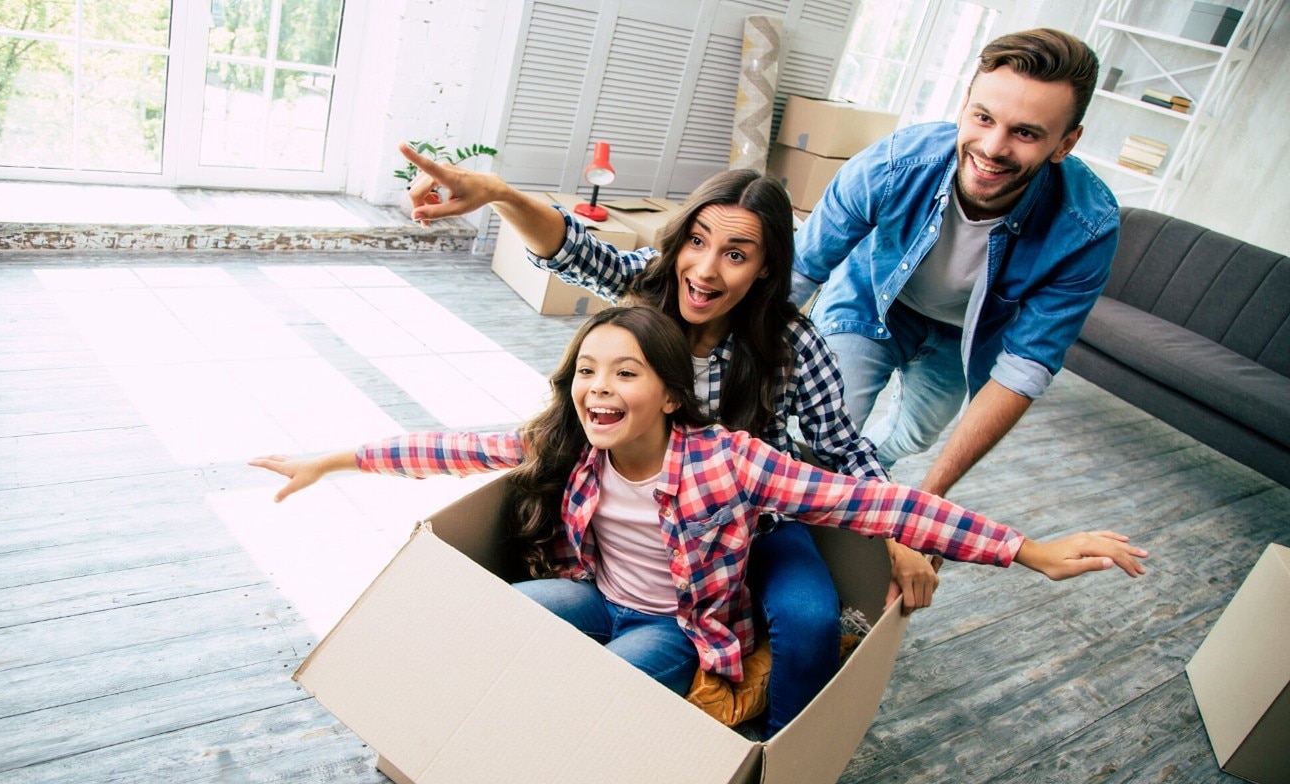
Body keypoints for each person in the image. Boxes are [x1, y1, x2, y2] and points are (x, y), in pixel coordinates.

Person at [249, 306, 1147, 709]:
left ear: (671, 396)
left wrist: (1025, 548)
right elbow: (444, 448)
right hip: (591, 591)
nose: (600, 390)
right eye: (588, 372)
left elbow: (865, 499)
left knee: (602, 695)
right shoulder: (567, 442)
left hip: (679, 625)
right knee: (501, 628)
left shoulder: (728, 464)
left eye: (625, 373)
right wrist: (330, 459)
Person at [399, 148, 939, 733]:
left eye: (735, 255)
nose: (705, 271)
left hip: (756, 526)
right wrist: (499, 194)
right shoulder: (648, 293)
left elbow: (840, 447)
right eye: (697, 242)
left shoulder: (790, 341)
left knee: (811, 620)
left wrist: (902, 536)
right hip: (644, 536)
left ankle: (770, 761)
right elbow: (572, 248)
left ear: (764, 269)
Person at [791, 28, 1119, 499]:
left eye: (1025, 133)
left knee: (916, 437)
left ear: (1065, 143)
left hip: (964, 335)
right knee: (821, 435)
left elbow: (1025, 368)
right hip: (870, 301)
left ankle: (866, 476)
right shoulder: (891, 165)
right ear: (965, 104)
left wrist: (929, 506)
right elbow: (800, 272)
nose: (992, 148)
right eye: (983, 118)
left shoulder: (1087, 228)